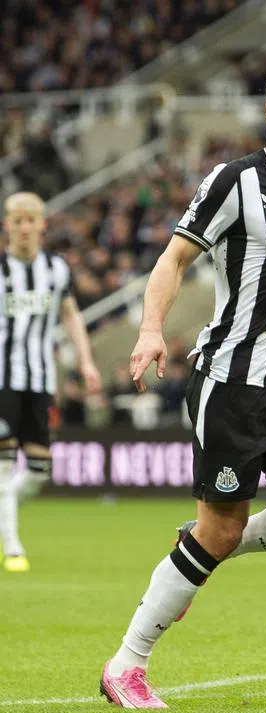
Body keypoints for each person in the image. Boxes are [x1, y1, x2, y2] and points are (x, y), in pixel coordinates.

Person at [100, 61, 266, 709]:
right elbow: (175, 257)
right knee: (217, 530)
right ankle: (126, 665)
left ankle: (209, 542)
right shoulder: (234, 183)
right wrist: (151, 330)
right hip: (230, 383)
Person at [0, 192, 101, 572]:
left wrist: (86, 362)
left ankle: (4, 515)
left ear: (42, 224)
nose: (24, 227)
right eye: (17, 220)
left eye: (31, 220)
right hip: (3, 380)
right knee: (5, 464)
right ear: (7, 224)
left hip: (40, 379)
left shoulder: (56, 270)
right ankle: (12, 548)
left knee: (40, 470)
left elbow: (71, 316)